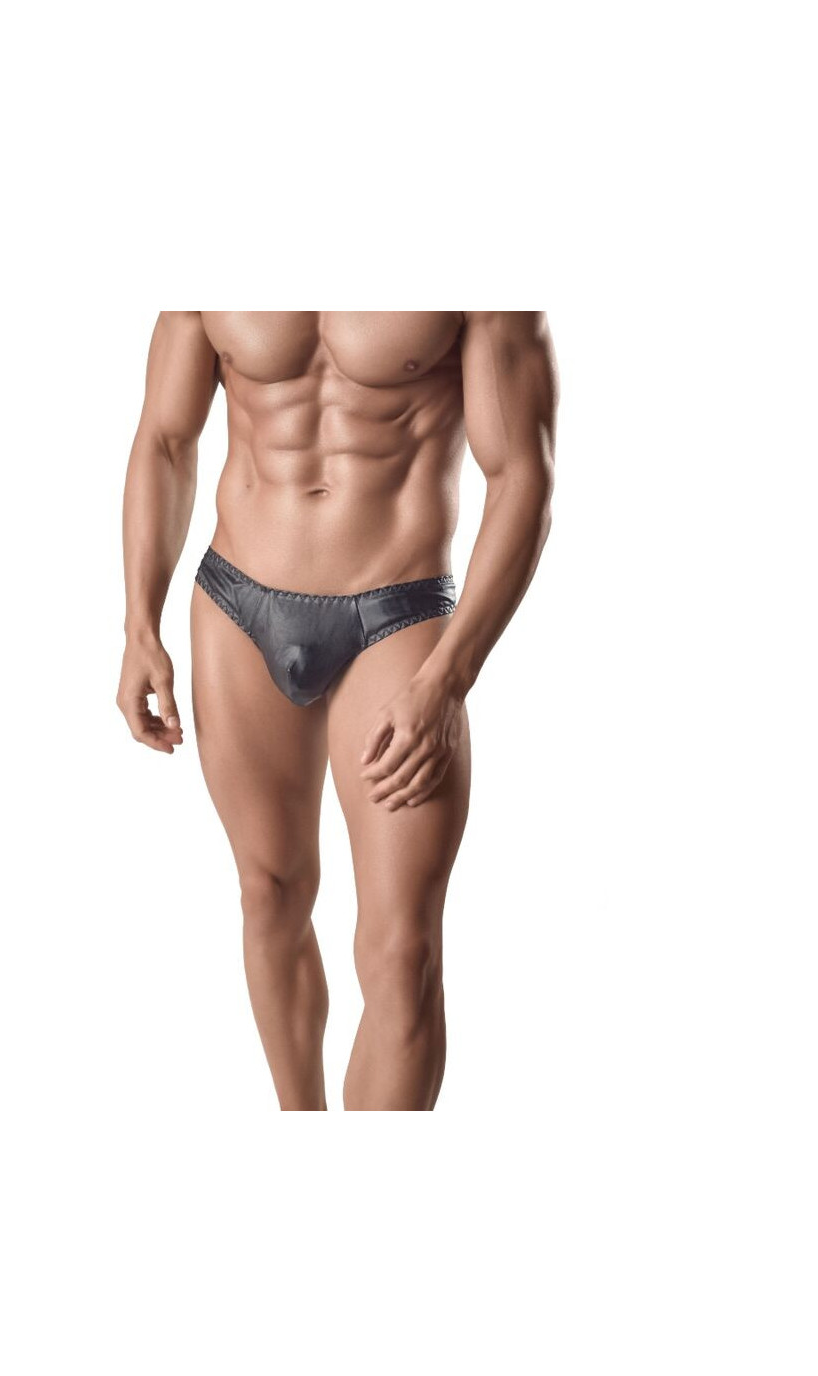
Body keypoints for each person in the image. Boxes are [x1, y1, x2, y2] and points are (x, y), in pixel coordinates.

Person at [117, 312, 558, 1110]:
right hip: (237, 603)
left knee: (402, 952)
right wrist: (139, 624)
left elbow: (522, 474)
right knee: (269, 894)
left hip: (398, 619)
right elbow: (165, 439)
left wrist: (448, 678)